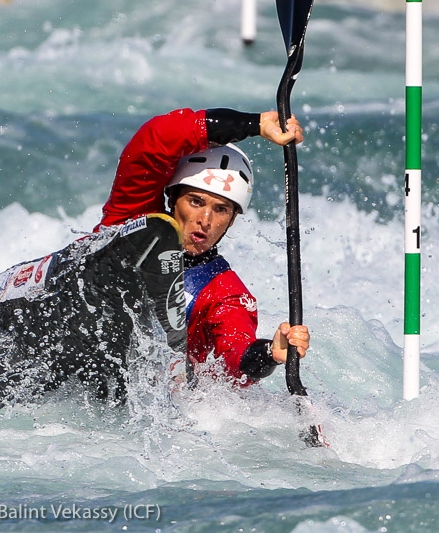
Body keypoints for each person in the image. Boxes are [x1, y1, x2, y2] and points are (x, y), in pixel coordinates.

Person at [95, 107, 311, 387]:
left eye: (221, 209)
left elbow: (236, 357)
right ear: (172, 198)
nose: (205, 220)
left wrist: (269, 353)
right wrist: (254, 124)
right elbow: (153, 141)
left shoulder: (224, 293)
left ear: (232, 220)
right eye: (196, 202)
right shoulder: (130, 219)